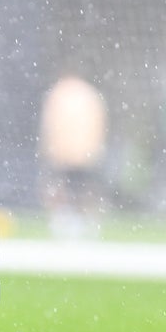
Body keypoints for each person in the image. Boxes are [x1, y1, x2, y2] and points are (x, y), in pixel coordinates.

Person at [37, 71, 108, 239]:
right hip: (81, 152)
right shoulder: (87, 95)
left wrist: (49, 147)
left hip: (68, 152)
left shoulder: (61, 95)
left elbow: (51, 124)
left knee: (71, 187)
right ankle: (78, 222)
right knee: (78, 188)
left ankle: (69, 222)